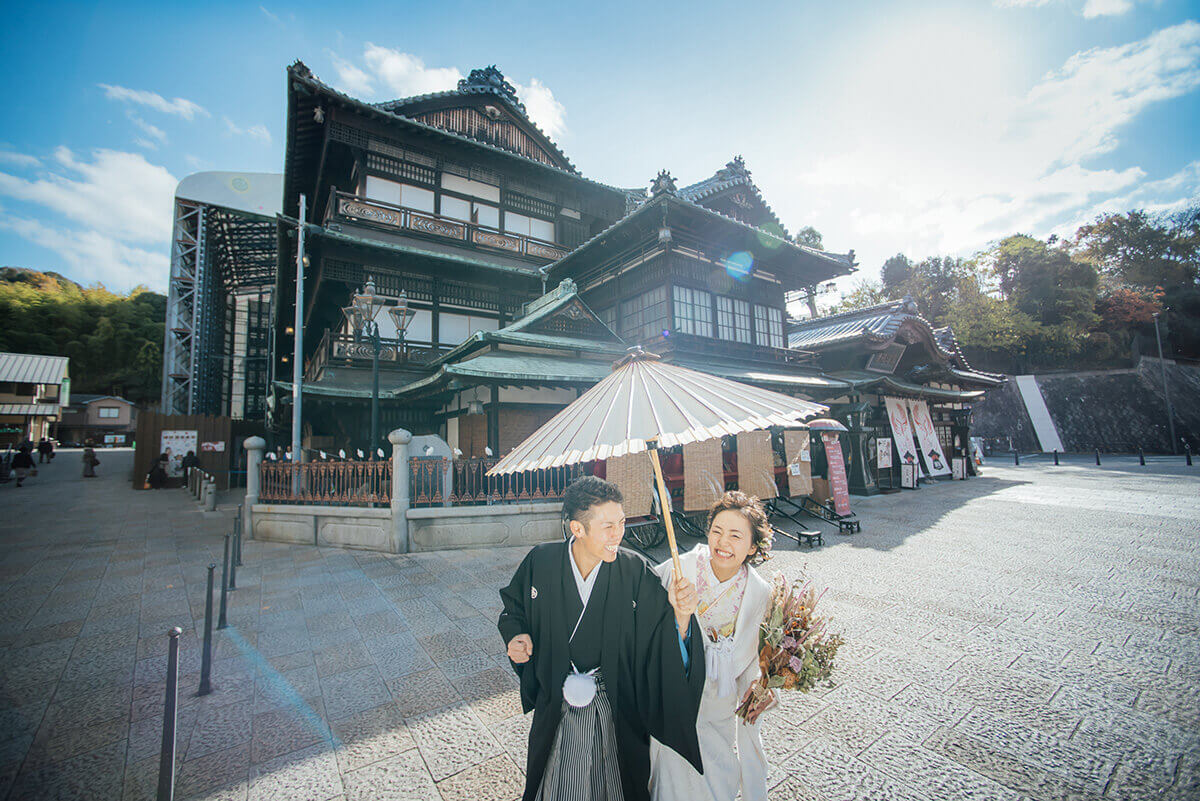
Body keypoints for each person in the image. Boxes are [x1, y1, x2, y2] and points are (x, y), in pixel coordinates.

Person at [498, 476, 706, 801]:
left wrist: (682, 613)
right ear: (577, 529)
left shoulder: (634, 569)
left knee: (618, 787)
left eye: (622, 522)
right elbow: (514, 610)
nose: (618, 534)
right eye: (608, 526)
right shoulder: (542, 561)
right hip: (558, 701)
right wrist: (517, 636)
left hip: (616, 706)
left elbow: (660, 634)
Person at [650, 491, 775, 801]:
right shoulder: (681, 568)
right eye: (717, 531)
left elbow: (755, 660)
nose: (723, 542)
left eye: (736, 536)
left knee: (716, 778)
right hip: (675, 696)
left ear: (753, 547)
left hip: (720, 700)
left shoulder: (760, 594)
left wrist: (762, 686)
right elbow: (646, 622)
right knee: (669, 776)